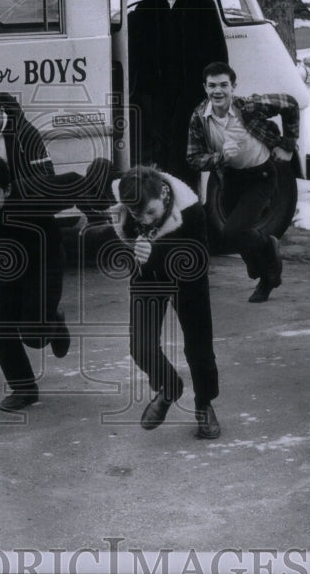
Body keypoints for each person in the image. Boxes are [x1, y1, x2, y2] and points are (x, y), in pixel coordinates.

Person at [0, 156, 113, 412]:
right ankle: (24, 389)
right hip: (7, 266)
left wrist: (100, 189)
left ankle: (53, 322)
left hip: (44, 261)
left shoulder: (32, 193)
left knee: (34, 336)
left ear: (8, 190)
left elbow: (75, 182)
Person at [108, 165, 220, 440]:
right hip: (148, 274)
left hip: (188, 277)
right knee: (141, 346)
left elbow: (199, 260)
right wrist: (132, 246)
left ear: (163, 194)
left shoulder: (190, 208)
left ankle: (204, 404)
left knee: (199, 346)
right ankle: (169, 387)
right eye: (137, 214)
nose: (145, 220)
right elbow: (124, 237)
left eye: (151, 213)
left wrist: (156, 253)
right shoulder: (127, 203)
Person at [186, 62, 300, 303]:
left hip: (261, 175)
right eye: (212, 86)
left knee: (233, 229)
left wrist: (288, 145)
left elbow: (289, 103)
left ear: (233, 87)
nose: (218, 91)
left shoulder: (248, 106)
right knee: (234, 233)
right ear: (204, 88)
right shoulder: (199, 117)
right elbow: (193, 158)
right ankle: (266, 252)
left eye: (224, 85)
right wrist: (220, 157)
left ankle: (266, 275)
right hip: (230, 178)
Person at [127, 0, 227, 188]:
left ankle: (189, 201)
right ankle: (168, 196)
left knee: (187, 148)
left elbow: (217, 48)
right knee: (161, 147)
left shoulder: (201, 3)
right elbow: (133, 30)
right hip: (159, 92)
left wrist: (215, 88)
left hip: (190, 92)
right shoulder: (151, 2)